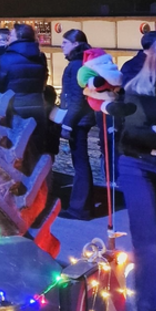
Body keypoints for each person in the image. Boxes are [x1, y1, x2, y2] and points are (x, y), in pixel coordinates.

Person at [111, 40, 156, 311]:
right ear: (153, 58)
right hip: (138, 165)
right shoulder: (137, 88)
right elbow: (132, 133)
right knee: (149, 236)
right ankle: (153, 310)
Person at [57, 29, 96, 219]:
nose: (61, 46)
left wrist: (67, 124)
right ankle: (83, 204)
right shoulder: (84, 63)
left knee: (80, 163)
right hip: (83, 119)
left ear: (75, 44)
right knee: (81, 162)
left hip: (78, 121)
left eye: (65, 43)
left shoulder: (75, 66)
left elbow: (76, 100)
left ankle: (80, 208)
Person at [0, 22, 48, 151]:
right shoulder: (41, 57)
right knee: (36, 146)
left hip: (14, 110)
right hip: (37, 108)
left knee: (16, 148)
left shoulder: (6, 58)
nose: (8, 38)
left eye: (11, 34)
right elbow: (43, 81)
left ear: (18, 37)